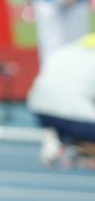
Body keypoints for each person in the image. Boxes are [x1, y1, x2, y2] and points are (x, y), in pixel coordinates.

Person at [26, 33, 95, 169]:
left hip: (40, 110)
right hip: (71, 113)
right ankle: (72, 149)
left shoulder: (70, 49)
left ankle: (63, 137)